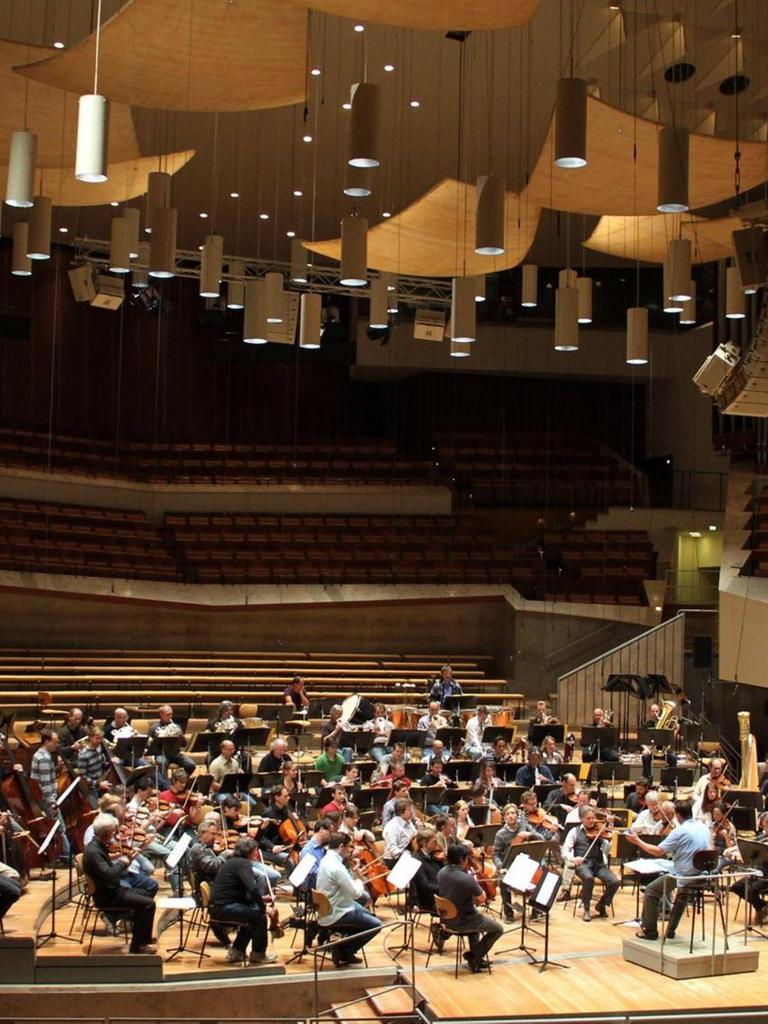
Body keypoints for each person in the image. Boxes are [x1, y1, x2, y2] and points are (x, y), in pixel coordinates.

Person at [627, 799, 713, 941]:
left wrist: (637, 841)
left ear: (677, 815)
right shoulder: (703, 827)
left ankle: (650, 931)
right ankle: (670, 930)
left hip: (685, 875)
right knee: (682, 893)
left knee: (651, 890)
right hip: (703, 874)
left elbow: (658, 851)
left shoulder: (680, 831)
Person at [82, 813, 156, 955]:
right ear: (106, 834)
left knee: (147, 895)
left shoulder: (98, 846)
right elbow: (109, 875)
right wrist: (122, 862)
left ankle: (140, 938)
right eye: (112, 832)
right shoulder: (94, 851)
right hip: (107, 895)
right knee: (148, 904)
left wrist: (127, 859)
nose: (114, 835)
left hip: (114, 889)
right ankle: (138, 945)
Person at [315, 832, 382, 967]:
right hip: (337, 911)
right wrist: (359, 878)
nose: (350, 850)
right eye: (348, 847)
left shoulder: (326, 860)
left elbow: (345, 883)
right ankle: (344, 949)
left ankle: (342, 946)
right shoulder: (336, 867)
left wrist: (352, 873)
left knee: (368, 914)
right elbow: (356, 893)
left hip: (330, 907)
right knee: (376, 925)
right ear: (341, 846)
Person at [437, 843, 504, 973]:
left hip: (447, 918)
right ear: (462, 859)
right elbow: (482, 899)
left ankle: (476, 959)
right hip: (464, 920)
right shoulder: (465, 879)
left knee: (476, 923)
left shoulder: (442, 872)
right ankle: (474, 956)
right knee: (498, 929)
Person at [211, 836, 278, 964]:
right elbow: (252, 889)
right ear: (250, 851)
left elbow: (239, 892)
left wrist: (262, 899)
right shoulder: (243, 864)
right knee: (259, 916)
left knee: (251, 916)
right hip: (224, 908)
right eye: (255, 850)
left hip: (219, 906)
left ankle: (236, 952)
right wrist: (263, 908)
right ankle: (258, 954)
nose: (257, 853)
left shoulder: (233, 862)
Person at [562, 807, 619, 921]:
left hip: (599, 864)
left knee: (615, 882)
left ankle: (601, 904)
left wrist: (607, 838)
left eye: (593, 818)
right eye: (588, 818)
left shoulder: (599, 831)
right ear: (582, 819)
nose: (592, 821)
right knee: (588, 878)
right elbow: (565, 850)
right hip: (583, 864)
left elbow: (607, 850)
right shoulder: (574, 831)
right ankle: (586, 909)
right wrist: (573, 858)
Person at [187, 820, 232, 945]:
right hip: (204, 890)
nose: (215, 837)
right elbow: (212, 866)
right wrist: (224, 855)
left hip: (212, 883)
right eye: (212, 834)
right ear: (202, 833)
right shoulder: (198, 849)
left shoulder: (206, 847)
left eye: (216, 834)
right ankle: (222, 926)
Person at [30, 730, 71, 863]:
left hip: (41, 800)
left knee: (55, 829)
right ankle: (66, 856)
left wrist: (57, 769)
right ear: (47, 741)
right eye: (55, 742)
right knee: (60, 829)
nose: (57, 744)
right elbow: (46, 785)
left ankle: (61, 856)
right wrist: (52, 803)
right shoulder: (44, 759)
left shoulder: (40, 755)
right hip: (47, 801)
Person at [493, 804, 533, 921]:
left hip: (525, 864)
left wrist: (530, 835)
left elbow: (541, 838)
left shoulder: (525, 827)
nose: (511, 816)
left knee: (540, 877)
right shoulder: (501, 834)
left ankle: (536, 910)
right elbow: (495, 854)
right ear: (504, 817)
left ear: (517, 815)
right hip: (508, 866)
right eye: (508, 814)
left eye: (513, 813)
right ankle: (509, 913)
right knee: (504, 881)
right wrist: (500, 867)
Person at [730, 810, 768, 924]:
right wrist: (731, 849)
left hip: (767, 875)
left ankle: (761, 909)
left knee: (751, 889)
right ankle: (762, 906)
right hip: (758, 872)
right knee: (736, 887)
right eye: (765, 825)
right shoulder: (763, 837)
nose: (765, 828)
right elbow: (748, 844)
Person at [148, 705, 196, 776]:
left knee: (191, 765)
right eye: (168, 714)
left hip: (175, 753)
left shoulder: (177, 727)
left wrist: (181, 737)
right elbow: (148, 744)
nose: (170, 716)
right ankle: (166, 785)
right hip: (161, 754)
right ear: (161, 714)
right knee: (162, 763)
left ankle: (177, 780)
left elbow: (184, 744)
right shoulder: (154, 728)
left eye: (171, 714)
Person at [297, 818, 332, 889]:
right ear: (322, 830)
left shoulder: (326, 847)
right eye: (330, 832)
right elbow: (313, 874)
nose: (331, 836)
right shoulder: (307, 851)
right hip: (320, 888)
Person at [382, 798, 417, 865]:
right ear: (403, 812)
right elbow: (393, 851)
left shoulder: (409, 822)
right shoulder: (392, 827)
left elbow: (414, 838)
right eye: (410, 810)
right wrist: (409, 856)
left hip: (409, 855)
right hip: (394, 860)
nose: (412, 812)